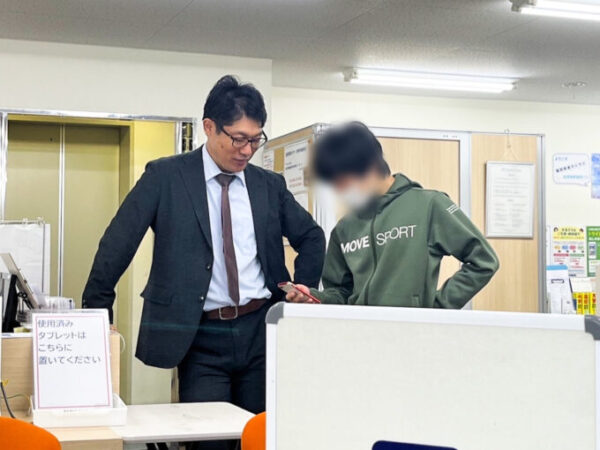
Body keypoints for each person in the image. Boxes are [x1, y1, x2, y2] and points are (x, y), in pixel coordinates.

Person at [83, 75, 326, 450]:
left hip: (261, 331)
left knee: (262, 438)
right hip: (201, 337)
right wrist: (97, 313)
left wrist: (302, 287)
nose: (247, 150)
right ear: (209, 127)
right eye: (238, 138)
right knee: (209, 442)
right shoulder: (166, 176)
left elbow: (311, 236)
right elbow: (118, 242)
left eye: (255, 139)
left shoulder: (268, 185)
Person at [286, 121, 498, 308]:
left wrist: (438, 306)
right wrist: (315, 297)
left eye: (343, 181)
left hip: (412, 331)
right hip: (360, 332)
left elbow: (484, 261)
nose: (340, 191)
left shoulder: (429, 205)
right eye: (335, 184)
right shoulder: (345, 228)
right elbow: (341, 293)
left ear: (370, 166)